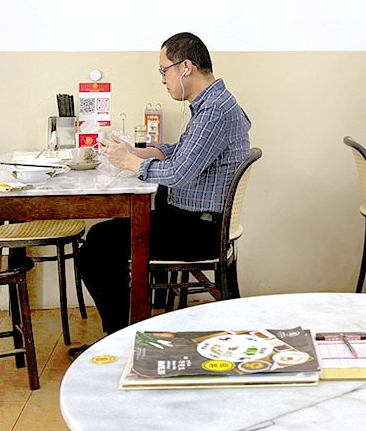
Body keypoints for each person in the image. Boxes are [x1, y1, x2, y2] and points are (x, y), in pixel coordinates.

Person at [76, 32, 251, 336]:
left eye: (163, 71)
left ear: (185, 68)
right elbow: (177, 152)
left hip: (201, 230)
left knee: (99, 245)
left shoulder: (215, 112)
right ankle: (126, 331)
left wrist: (129, 163)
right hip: (193, 220)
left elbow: (178, 173)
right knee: (102, 239)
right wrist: (132, 150)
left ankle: (119, 338)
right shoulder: (209, 104)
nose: (162, 79)